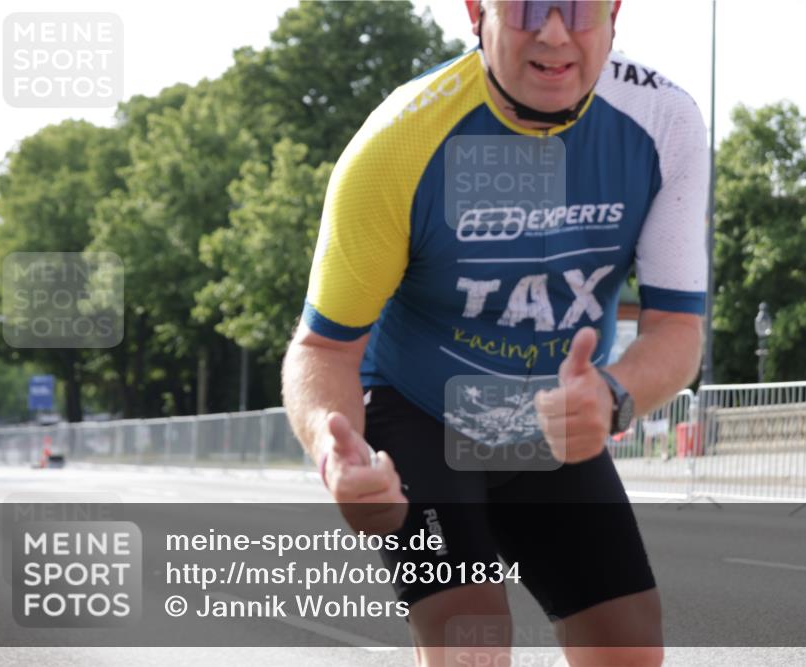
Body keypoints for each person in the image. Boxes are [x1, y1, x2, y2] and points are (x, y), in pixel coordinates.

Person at [282, 1, 709, 665]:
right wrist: (334, 451)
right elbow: (323, 347)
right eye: (528, 6)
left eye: (580, 6)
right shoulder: (398, 142)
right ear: (477, 11)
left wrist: (613, 395)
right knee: (469, 637)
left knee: (628, 641)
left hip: (549, 416)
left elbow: (678, 326)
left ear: (616, 12)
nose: (556, 31)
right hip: (421, 410)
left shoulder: (664, 121)